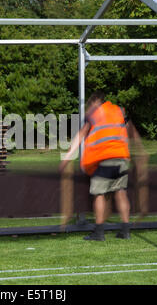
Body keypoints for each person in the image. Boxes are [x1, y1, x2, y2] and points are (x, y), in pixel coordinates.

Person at [59, 91, 131, 241]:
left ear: (94, 102)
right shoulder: (117, 110)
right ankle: (125, 230)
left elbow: (81, 134)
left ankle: (99, 232)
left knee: (99, 194)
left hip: (105, 158)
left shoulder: (94, 113)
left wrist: (67, 157)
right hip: (122, 157)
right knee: (121, 192)